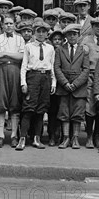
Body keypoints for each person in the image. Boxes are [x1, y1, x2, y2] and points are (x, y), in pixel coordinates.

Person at [17, 21, 56, 151]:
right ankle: (22, 138)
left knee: (41, 109)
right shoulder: (29, 46)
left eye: (43, 32)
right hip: (32, 77)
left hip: (45, 77)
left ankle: (37, 138)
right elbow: (24, 65)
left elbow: (53, 66)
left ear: (47, 34)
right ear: (34, 33)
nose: (40, 34)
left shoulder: (50, 48)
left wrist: (53, 82)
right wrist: (23, 83)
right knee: (28, 108)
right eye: (38, 31)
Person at [54, 24, 90, 149]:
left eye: (74, 34)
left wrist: (75, 84)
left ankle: (75, 138)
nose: (72, 37)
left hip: (79, 87)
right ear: (66, 36)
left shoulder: (83, 50)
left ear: (79, 36)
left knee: (77, 113)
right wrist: (65, 83)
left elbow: (86, 69)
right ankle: (65, 138)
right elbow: (57, 67)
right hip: (64, 87)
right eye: (69, 34)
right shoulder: (60, 50)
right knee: (64, 113)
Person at [0, 16, 25, 148]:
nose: (9, 26)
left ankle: (13, 136)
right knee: (0, 102)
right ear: (3, 25)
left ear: (14, 25)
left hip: (15, 71)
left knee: (15, 102)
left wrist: (5, 53)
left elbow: (21, 57)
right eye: (6, 23)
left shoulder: (20, 39)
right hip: (1, 71)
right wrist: (13, 56)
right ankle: (0, 135)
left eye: (11, 23)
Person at [80, 17, 99, 148]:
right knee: (89, 105)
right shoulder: (86, 40)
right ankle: (89, 136)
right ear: (92, 27)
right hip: (90, 75)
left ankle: (98, 135)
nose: (98, 28)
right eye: (96, 25)